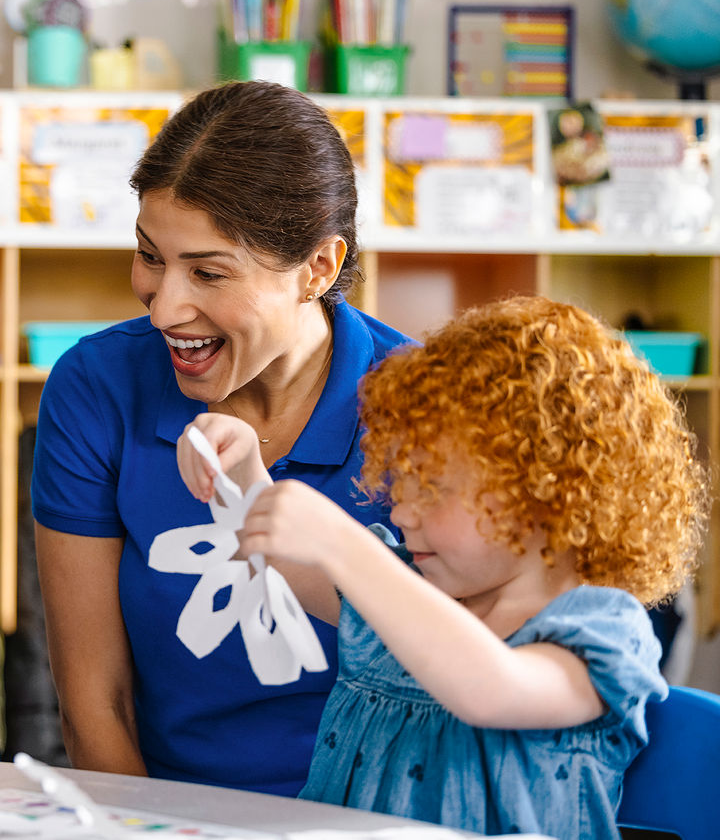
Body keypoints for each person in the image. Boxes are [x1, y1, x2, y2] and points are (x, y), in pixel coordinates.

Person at [178, 296, 708, 838]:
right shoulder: (405, 582)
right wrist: (243, 473)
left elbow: (491, 691)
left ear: (548, 493)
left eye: (433, 490)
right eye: (402, 483)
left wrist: (344, 544)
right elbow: (286, 562)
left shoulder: (602, 632)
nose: (402, 511)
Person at [31, 80, 412, 796]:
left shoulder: (428, 406)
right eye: (150, 256)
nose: (167, 306)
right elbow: (95, 709)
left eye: (208, 272)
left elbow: (469, 664)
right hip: (168, 811)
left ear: (319, 269)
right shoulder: (96, 388)